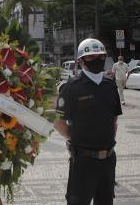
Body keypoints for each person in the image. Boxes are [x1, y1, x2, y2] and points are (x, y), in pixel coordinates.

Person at [54, 38, 122, 205]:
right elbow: (58, 122)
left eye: (100, 56)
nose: (97, 60)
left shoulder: (110, 85)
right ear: (80, 61)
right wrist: (77, 138)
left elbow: (114, 118)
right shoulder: (71, 87)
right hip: (83, 162)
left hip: (108, 159)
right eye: (91, 57)